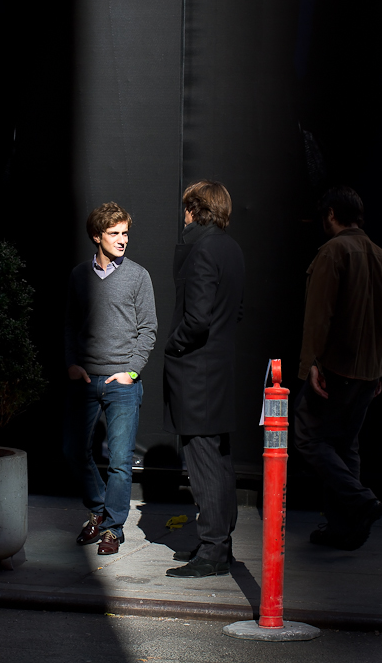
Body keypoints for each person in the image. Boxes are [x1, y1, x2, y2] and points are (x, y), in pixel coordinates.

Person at [293, 186, 382, 550]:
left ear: (331, 214)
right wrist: (381, 367)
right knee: (345, 445)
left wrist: (311, 365)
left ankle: (360, 501)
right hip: (369, 372)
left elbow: (319, 314)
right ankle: (346, 527)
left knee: (307, 437)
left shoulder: (333, 251)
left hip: (337, 369)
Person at [162, 180, 245, 578]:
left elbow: (196, 320)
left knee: (205, 462)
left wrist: (172, 347)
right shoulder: (231, 248)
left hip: (196, 373)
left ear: (195, 209)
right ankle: (218, 543)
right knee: (219, 459)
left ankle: (213, 551)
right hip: (219, 370)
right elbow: (235, 312)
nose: (183, 216)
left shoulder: (202, 248)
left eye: (186, 209)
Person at [64, 202, 157, 555]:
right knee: (73, 450)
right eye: (115, 233)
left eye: (125, 234)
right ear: (96, 236)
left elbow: (148, 329)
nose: (122, 240)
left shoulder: (138, 276)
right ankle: (100, 512)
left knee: (120, 461)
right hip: (85, 380)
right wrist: (72, 364)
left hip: (122, 384)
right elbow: (71, 325)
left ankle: (112, 529)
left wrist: (131, 372)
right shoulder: (78, 276)